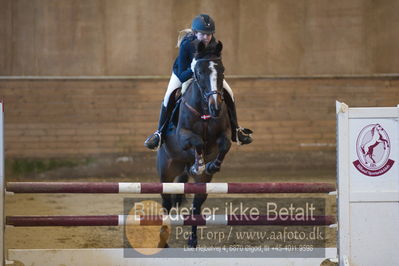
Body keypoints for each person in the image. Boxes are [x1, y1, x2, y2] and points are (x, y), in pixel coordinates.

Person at [144, 14, 253, 150]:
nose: (207, 38)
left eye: (209, 34)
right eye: (203, 34)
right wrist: (193, 68)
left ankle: (236, 130)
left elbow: (216, 66)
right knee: (168, 96)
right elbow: (182, 74)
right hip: (183, 72)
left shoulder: (214, 44)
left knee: (229, 93)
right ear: (195, 33)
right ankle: (159, 133)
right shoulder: (186, 44)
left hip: (206, 75)